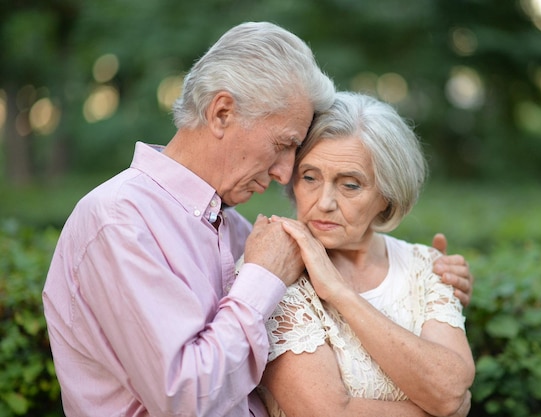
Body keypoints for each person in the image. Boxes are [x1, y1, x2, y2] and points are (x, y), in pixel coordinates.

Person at [42, 22, 472, 417]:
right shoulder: (120, 220)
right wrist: (263, 279)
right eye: (285, 145)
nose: (285, 174)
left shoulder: (237, 230)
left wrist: (431, 279)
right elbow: (184, 399)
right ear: (222, 113)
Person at [255, 92, 475, 417]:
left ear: (387, 196)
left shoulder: (425, 265)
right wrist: (440, 411)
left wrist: (338, 291)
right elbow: (325, 413)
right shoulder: (273, 274)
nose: (325, 202)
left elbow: (449, 386)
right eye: (310, 177)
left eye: (351, 185)